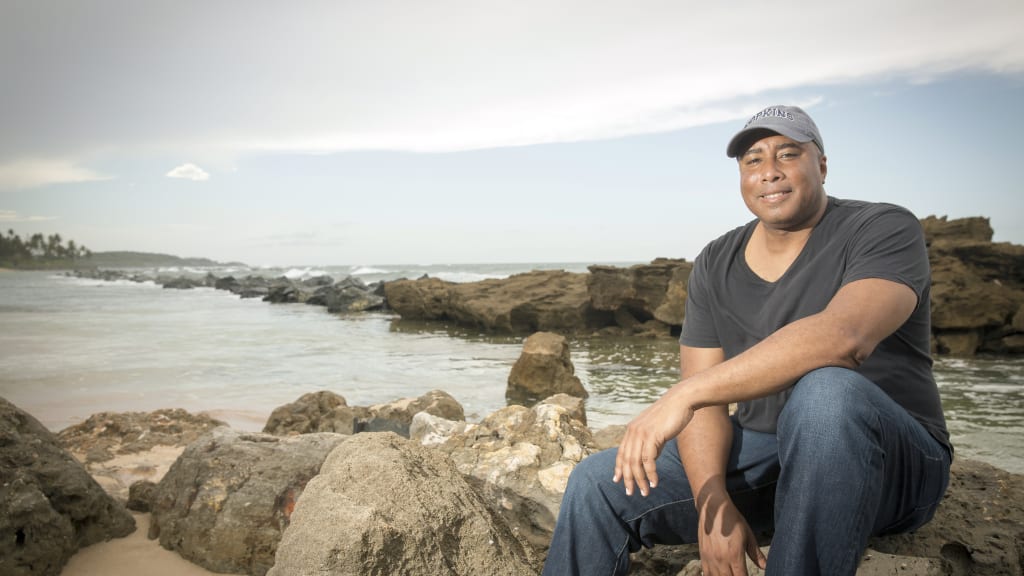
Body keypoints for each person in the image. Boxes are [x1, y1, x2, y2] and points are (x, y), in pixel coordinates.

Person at [542, 105, 952, 576]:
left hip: (891, 461)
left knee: (827, 392)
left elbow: (845, 336)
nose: (769, 172)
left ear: (821, 165)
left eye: (788, 154)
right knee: (598, 482)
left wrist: (683, 394)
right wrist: (710, 500)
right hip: (770, 458)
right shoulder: (716, 260)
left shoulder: (882, 228)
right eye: (752, 160)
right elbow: (706, 410)